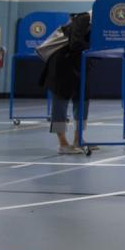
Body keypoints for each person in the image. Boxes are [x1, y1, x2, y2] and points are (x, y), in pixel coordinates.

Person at [39, 12, 91, 154]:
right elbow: (76, 43)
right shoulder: (85, 18)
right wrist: (94, 47)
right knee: (61, 101)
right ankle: (62, 143)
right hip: (62, 64)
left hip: (78, 64)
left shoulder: (99, 22)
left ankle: (78, 139)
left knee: (83, 99)